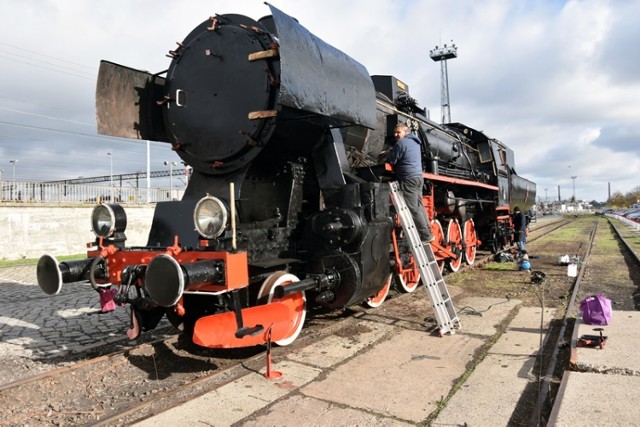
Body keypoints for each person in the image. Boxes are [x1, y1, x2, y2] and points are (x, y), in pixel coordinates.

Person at [386, 123, 434, 244]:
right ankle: (428, 230)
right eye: (395, 133)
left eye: (399, 132)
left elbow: (392, 160)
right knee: (419, 206)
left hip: (408, 178)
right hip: (418, 177)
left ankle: (425, 235)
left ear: (405, 132)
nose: (396, 135)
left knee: (413, 208)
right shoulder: (415, 143)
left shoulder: (401, 143)